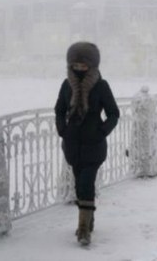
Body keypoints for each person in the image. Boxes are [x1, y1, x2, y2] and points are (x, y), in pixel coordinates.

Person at [54, 41, 120, 246]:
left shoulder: (101, 86)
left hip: (94, 145)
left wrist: (101, 131)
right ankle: (89, 218)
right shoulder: (67, 85)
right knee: (79, 185)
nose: (79, 69)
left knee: (86, 183)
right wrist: (63, 130)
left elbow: (113, 114)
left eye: (83, 65)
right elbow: (59, 110)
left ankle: (83, 230)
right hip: (73, 145)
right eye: (76, 65)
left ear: (92, 65)